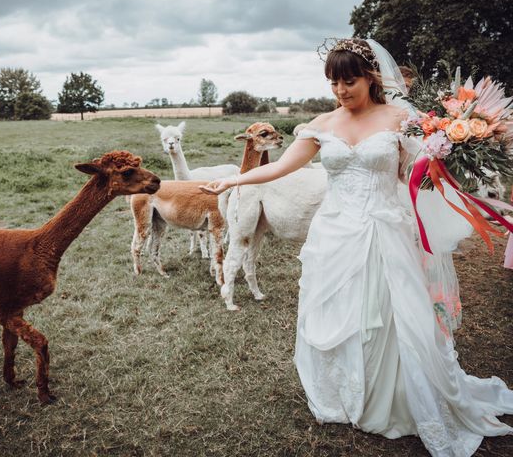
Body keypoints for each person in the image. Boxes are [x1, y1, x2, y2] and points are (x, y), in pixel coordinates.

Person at [200, 38, 513, 456]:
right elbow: (279, 166)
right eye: (333, 83)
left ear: (370, 78)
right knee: (339, 311)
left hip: (386, 231)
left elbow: (415, 177)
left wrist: (450, 156)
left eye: (349, 81)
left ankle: (393, 395)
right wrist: (233, 180)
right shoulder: (322, 125)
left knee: (391, 316)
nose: (341, 91)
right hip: (335, 233)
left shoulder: (401, 119)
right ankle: (347, 392)